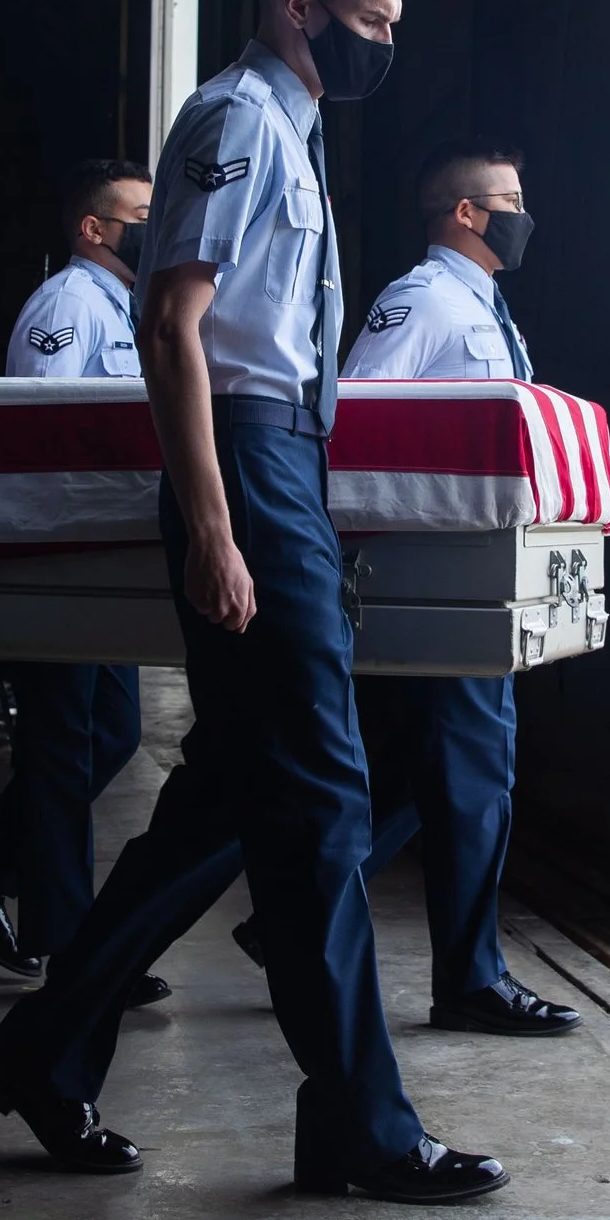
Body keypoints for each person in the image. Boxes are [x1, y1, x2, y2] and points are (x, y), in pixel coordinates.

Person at [0, 0, 507, 1203]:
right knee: (323, 795)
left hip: (286, 458)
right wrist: (215, 522)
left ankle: (45, 1052)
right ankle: (361, 1124)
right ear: (298, 2)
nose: (386, 45)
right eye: (370, 21)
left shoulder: (295, 129)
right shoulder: (238, 121)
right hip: (252, 464)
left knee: (222, 800)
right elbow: (170, 322)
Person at [229, 146, 580, 1037]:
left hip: (478, 569)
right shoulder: (422, 300)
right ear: (464, 212)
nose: (522, 215)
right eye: (510, 199)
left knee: (460, 777)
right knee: (467, 773)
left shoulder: (484, 307)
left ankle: (295, 921)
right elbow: (364, 419)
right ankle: (469, 978)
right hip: (440, 573)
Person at [0, 160, 168, 1007]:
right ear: (93, 228)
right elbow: (39, 427)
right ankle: (71, 944)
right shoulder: (66, 305)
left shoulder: (127, 306)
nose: (154, 224)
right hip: (63, 554)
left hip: (107, 558)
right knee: (62, 750)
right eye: (138, 213)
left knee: (112, 734)